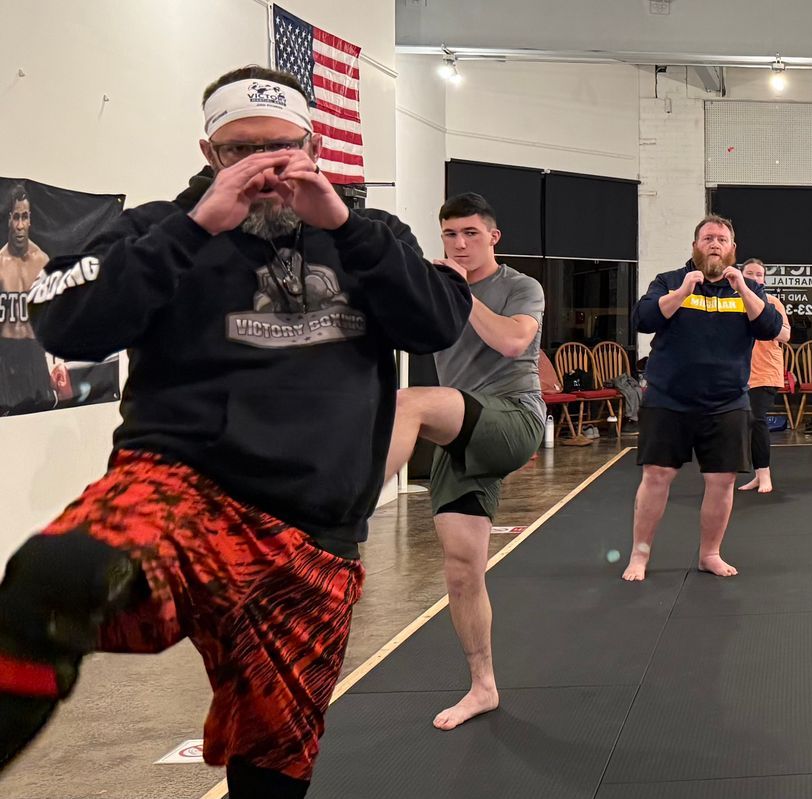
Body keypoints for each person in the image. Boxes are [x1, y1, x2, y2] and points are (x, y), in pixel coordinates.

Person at [0, 66, 470, 798]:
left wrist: (342, 226)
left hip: (313, 533)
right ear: (207, 150)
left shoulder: (369, 234)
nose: (266, 171)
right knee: (53, 579)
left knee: (274, 765)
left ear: (312, 146)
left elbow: (436, 320)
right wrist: (194, 228)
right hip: (182, 491)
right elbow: (63, 317)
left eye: (283, 150)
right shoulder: (158, 227)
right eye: (241, 152)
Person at [378, 192, 544, 731]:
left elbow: (515, 343)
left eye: (471, 233)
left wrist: (460, 291)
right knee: (461, 572)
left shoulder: (521, 287)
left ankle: (345, 509)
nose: (460, 243)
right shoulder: (434, 286)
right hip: (462, 434)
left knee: (412, 401)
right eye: (450, 234)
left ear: (492, 236)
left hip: (514, 420)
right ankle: (483, 687)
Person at [623, 215, 781, 581]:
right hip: (669, 399)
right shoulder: (669, 281)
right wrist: (682, 293)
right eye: (707, 238)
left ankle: (710, 553)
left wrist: (743, 286)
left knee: (722, 480)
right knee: (657, 476)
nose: (714, 244)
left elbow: (770, 328)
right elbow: (642, 319)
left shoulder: (747, 290)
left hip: (726, 401)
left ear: (732, 249)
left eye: (721, 239)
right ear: (695, 245)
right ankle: (639, 555)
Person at [0, 184, 65, 415]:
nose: (19, 225)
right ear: (9, 219)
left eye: (24, 217)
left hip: (35, 357)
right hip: (5, 360)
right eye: (16, 217)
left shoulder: (42, 261)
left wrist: (57, 362)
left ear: (30, 221)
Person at [738, 258, 790, 493]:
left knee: (756, 420)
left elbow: (786, 336)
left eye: (759, 275)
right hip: (738, 373)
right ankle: (757, 475)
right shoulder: (733, 302)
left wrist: (765, 321)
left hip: (765, 372)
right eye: (750, 274)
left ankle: (765, 473)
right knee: (742, 424)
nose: (755, 278)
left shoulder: (772, 303)